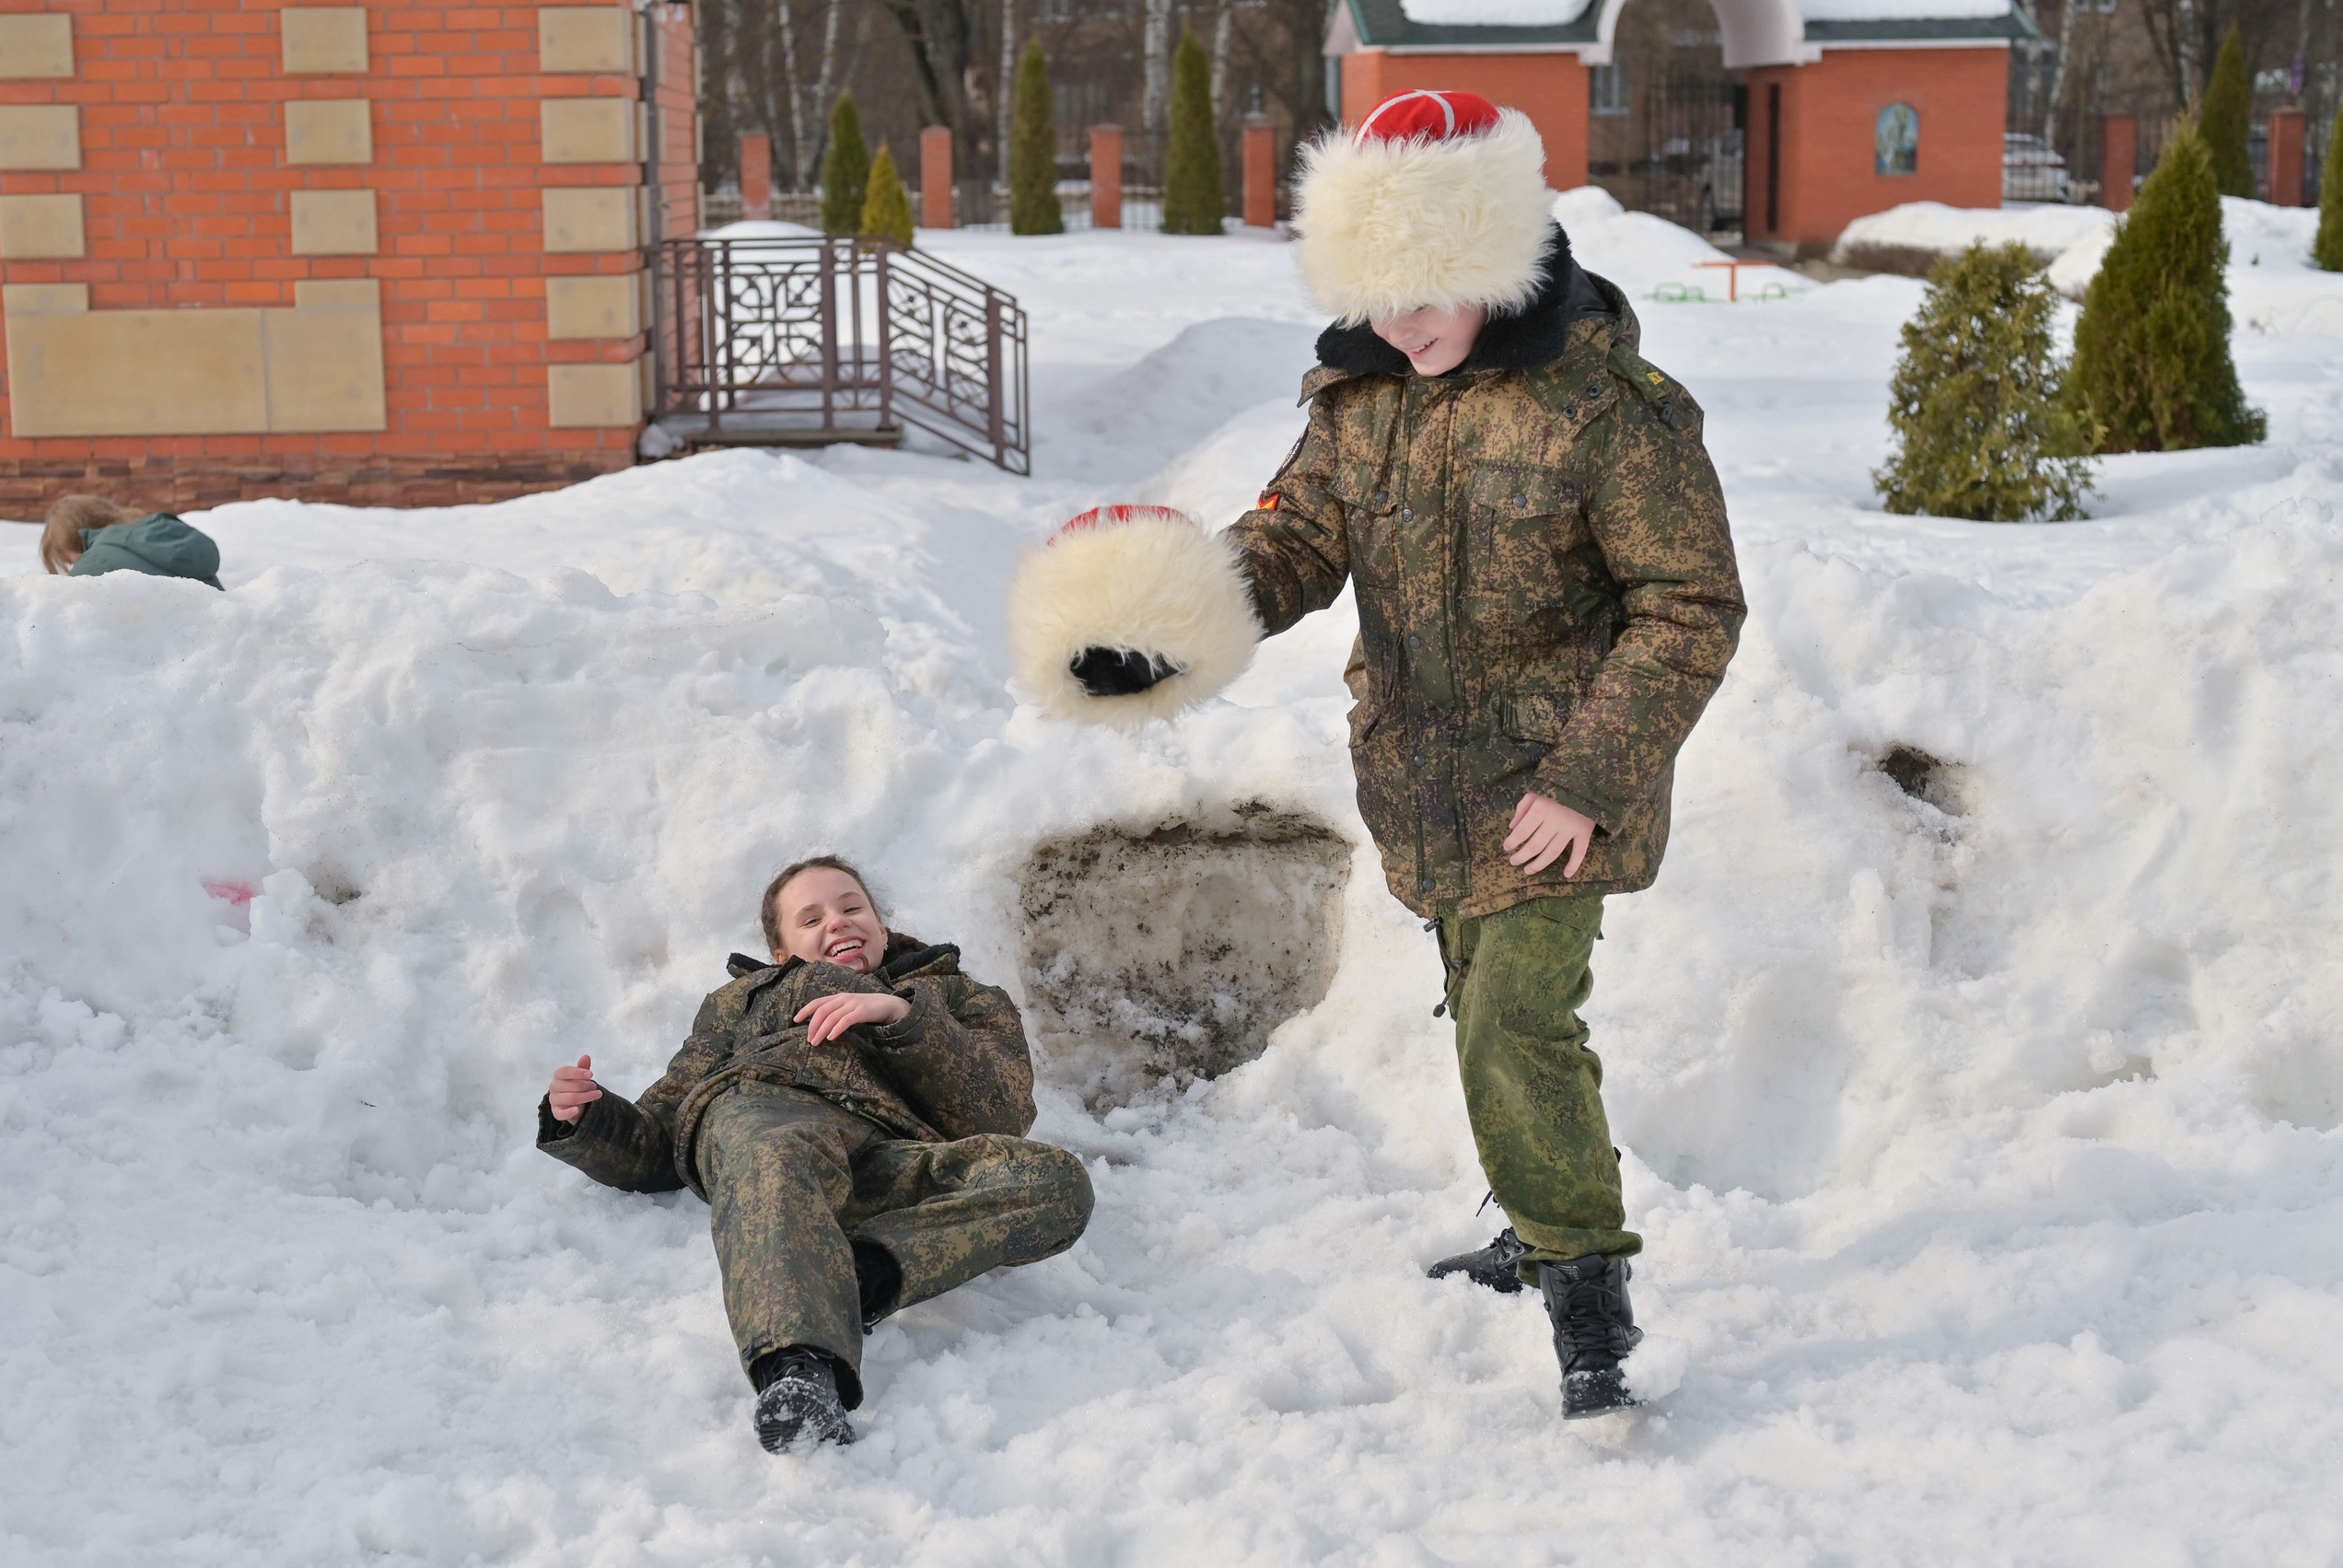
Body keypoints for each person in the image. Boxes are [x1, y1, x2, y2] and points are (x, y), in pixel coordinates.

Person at [1007, 90, 1745, 1419]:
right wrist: (1161, 624)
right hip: (1421, 782)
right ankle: (1536, 1212)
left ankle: (1587, 1287)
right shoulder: (1361, 402)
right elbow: (1291, 542)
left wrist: (1587, 777)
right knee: (1480, 1005)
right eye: (1381, 290)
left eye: (1434, 289)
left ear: (1496, 260)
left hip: (1557, 787)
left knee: (1521, 1013)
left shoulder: (1609, 409)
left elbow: (1690, 602)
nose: (1406, 324)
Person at [537, 857, 1094, 1452]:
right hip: (770, 1113)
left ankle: (857, 1276)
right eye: (811, 917)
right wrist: (588, 1117)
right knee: (775, 1151)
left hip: (888, 1153)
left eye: (852, 907)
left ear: (882, 927)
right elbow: (656, 1139)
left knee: (1055, 1181)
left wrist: (902, 1018)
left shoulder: (954, 994)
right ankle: (801, 1373)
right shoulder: (743, 1001)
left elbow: (998, 1114)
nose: (838, 921)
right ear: (783, 954)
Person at [39, 494, 224, 588]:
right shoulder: (157, 536)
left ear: (73, 540)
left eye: (69, 561)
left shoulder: (96, 562)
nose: (74, 567)